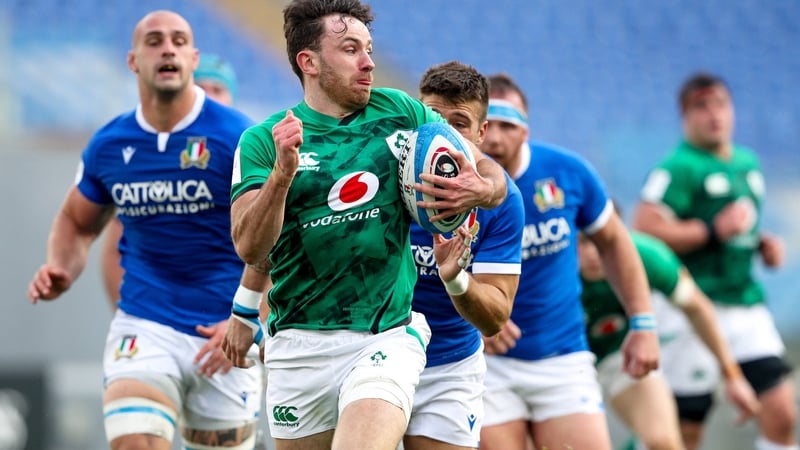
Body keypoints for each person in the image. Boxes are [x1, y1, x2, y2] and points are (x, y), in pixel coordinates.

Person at [219, 2, 508, 450]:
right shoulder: (263, 140)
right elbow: (251, 247)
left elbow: (488, 171)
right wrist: (282, 174)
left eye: (369, 49)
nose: (369, 61)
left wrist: (480, 189)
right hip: (298, 344)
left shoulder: (400, 113)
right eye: (351, 49)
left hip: (384, 335)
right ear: (309, 62)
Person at [26, 10, 263, 449]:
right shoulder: (110, 144)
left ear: (193, 58)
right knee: (135, 441)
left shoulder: (239, 138)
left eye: (178, 40)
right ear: (133, 60)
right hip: (145, 323)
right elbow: (78, 222)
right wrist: (61, 266)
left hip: (226, 332)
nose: (167, 48)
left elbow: (285, 242)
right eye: (154, 41)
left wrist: (252, 320)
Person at [476, 73, 660, 450]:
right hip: (484, 362)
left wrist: (643, 323)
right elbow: (424, 268)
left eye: (508, 125)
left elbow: (615, 243)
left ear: (526, 129)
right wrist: (476, 319)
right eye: (488, 125)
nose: (495, 137)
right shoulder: (450, 187)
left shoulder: (567, 172)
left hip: (562, 357)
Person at [632, 72, 797, 450]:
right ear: (685, 117)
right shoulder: (678, 167)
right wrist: (710, 231)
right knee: (684, 431)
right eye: (701, 107)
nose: (713, 115)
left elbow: (739, 230)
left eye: (720, 104)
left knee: (781, 411)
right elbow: (644, 229)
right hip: (691, 307)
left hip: (744, 306)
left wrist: (761, 245)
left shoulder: (747, 163)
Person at [403, 61, 525, 450]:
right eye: (433, 117)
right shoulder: (384, 177)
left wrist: (456, 279)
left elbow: (495, 317)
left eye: (459, 123)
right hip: (372, 350)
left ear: (481, 132)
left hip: (449, 367)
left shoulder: (502, 202)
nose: (443, 133)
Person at [579, 217, 760, 449]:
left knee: (664, 444)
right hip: (560, 362)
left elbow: (697, 308)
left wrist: (733, 376)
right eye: (584, 242)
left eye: (603, 242)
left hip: (621, 354)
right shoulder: (549, 270)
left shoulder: (647, 256)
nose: (594, 252)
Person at [100, 52, 241, 307]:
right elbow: (115, 249)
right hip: (159, 318)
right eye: (199, 88)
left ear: (232, 98)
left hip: (229, 314)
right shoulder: (152, 161)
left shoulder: (249, 156)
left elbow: (277, 251)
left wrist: (248, 320)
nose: (208, 97)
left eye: (218, 89)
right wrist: (130, 314)